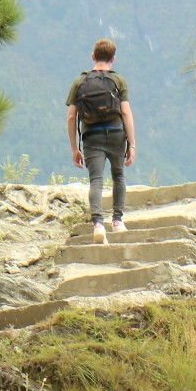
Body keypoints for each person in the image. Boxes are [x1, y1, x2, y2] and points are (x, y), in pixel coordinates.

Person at [66, 38, 136, 243]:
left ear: (93, 57)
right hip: (116, 134)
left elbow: (71, 116)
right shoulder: (119, 81)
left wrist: (74, 148)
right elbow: (125, 111)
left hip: (91, 136)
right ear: (113, 59)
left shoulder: (80, 82)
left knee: (96, 180)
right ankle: (117, 221)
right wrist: (132, 144)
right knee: (118, 176)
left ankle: (98, 224)